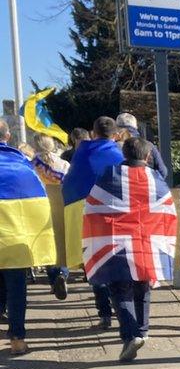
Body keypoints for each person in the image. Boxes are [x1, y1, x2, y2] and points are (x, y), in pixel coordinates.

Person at [82, 136, 177, 362]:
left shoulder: (109, 176)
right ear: (148, 156)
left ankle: (130, 336)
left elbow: (92, 207)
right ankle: (142, 331)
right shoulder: (156, 179)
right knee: (143, 285)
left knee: (119, 288)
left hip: (116, 243)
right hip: (147, 242)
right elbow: (167, 211)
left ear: (125, 154)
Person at [0, 120, 57, 355]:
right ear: (9, 136)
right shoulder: (23, 164)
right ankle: (17, 338)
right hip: (14, 238)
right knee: (16, 287)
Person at [62, 117, 124, 329]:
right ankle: (121, 311)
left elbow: (70, 183)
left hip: (85, 211)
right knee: (115, 262)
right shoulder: (119, 155)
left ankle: (104, 314)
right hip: (113, 211)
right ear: (116, 134)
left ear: (93, 133)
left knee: (93, 263)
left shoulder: (81, 153)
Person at [31, 133, 71, 300]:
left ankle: (54, 278)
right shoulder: (63, 163)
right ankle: (63, 272)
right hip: (61, 202)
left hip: (41, 204)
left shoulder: (31, 164)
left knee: (46, 243)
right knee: (62, 241)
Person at [115, 113, 168, 179]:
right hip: (146, 184)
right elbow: (163, 171)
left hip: (121, 185)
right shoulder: (148, 146)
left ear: (117, 128)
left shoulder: (112, 146)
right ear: (136, 127)